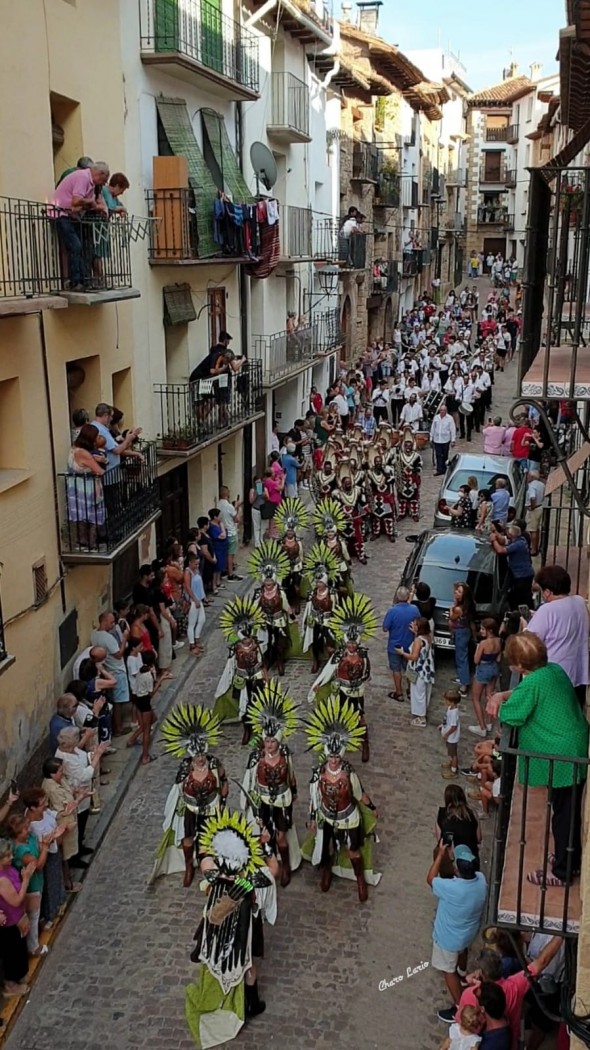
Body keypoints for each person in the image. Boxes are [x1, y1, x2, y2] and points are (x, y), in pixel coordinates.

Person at [487, 633, 589, 886]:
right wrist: (504, 695)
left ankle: (564, 872)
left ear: (519, 666)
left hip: (562, 755)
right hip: (572, 748)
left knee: (563, 813)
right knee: (567, 808)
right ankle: (570, 858)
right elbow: (524, 692)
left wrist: (499, 702)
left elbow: (513, 715)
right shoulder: (552, 670)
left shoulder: (534, 683)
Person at [184, 810, 270, 1044]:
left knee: (243, 959)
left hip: (230, 921)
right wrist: (264, 847)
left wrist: (263, 844)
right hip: (232, 921)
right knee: (245, 961)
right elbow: (271, 872)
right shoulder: (247, 875)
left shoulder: (216, 873)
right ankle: (245, 1003)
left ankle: (249, 1001)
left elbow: (204, 859)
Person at [303, 696, 380, 902]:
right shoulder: (318, 773)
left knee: (353, 850)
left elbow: (359, 793)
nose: (334, 761)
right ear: (327, 755)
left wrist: (371, 807)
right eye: (331, 757)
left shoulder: (348, 772)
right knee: (327, 846)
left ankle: (360, 879)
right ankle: (327, 871)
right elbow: (314, 796)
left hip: (349, 817)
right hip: (327, 817)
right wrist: (312, 817)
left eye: (337, 757)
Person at [150, 705, 227, 887]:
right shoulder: (185, 767)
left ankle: (210, 864)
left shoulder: (214, 763)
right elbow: (178, 788)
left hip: (211, 806)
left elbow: (223, 780)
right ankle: (188, 866)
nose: (201, 758)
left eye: (202, 754)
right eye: (197, 755)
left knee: (212, 836)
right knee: (188, 838)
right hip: (190, 807)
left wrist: (223, 796)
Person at [241, 683, 300, 887]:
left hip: (283, 800)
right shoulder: (256, 757)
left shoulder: (286, 755)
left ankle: (285, 866)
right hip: (263, 801)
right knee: (263, 833)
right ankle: (265, 863)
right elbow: (249, 781)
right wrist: (248, 801)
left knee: (282, 835)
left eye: (272, 742)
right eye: (266, 741)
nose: (269, 744)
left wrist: (294, 791)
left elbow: (291, 775)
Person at [455, 937, 564, 1044]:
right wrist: (560, 935)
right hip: (511, 1041)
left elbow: (461, 1025)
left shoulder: (471, 994)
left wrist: (470, 984)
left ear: (482, 974)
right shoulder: (514, 986)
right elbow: (542, 961)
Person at [428, 842, 487, 1020]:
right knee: (462, 951)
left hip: (448, 938)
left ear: (458, 869)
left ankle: (460, 1006)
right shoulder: (481, 880)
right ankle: (462, 974)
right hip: (468, 932)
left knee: (447, 970)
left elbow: (430, 879)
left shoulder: (452, 888)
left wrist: (439, 855)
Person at [527, 564, 589, 705]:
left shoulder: (547, 610)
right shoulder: (579, 602)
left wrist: (526, 624)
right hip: (578, 675)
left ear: (548, 592)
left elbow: (529, 641)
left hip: (554, 678)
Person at [50, 161, 110, 289]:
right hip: (61, 214)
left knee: (82, 245)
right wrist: (91, 203)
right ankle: (75, 282)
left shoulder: (91, 183)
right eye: (104, 180)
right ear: (100, 174)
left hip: (71, 215)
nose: (104, 184)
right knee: (76, 246)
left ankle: (84, 281)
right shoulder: (83, 177)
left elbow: (84, 204)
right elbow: (76, 200)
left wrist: (97, 207)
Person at [21, 788, 67, 924]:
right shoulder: (32, 826)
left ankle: (60, 901)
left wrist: (65, 813)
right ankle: (50, 913)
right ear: (32, 808)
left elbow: (52, 814)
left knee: (57, 878)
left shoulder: (43, 812)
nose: (46, 805)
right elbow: (41, 844)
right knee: (49, 884)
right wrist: (55, 836)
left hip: (54, 850)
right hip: (47, 855)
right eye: (42, 804)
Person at [0, 840, 36, 996]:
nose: (11, 857)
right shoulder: (2, 879)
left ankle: (20, 975)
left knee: (19, 948)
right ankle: (10, 985)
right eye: (7, 856)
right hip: (9, 920)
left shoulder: (9, 869)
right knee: (11, 953)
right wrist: (26, 879)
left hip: (18, 916)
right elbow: (15, 900)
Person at [89, 610, 130, 736]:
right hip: (117, 670)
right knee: (118, 701)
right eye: (111, 622)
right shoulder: (108, 638)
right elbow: (118, 655)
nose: (113, 625)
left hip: (107, 669)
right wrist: (124, 640)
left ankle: (115, 726)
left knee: (113, 699)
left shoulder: (94, 634)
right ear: (104, 621)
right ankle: (118, 728)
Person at [396, 616, 435, 728]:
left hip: (419, 670)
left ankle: (421, 717)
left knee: (418, 694)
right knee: (424, 692)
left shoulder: (419, 641)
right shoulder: (427, 637)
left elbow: (413, 657)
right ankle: (422, 714)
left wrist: (402, 653)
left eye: (415, 624)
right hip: (426, 669)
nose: (413, 624)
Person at [382, 586, 420, 703]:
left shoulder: (392, 611)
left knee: (396, 669)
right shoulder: (414, 609)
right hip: (409, 645)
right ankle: (410, 690)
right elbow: (418, 623)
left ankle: (399, 692)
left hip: (395, 645)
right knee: (408, 668)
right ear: (408, 596)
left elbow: (385, 628)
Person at [435, 785, 481, 868]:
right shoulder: (473, 814)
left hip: (450, 860)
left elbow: (440, 841)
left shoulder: (442, 814)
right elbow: (478, 838)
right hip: (470, 859)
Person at [490, 525, 534, 610]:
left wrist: (494, 540)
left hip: (522, 575)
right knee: (519, 595)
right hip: (522, 574)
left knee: (523, 597)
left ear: (511, 535)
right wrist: (495, 532)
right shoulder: (519, 539)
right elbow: (503, 540)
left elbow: (500, 550)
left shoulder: (518, 544)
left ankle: (526, 612)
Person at [470, 619, 501, 737]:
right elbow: (498, 659)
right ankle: (489, 723)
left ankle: (482, 727)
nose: (481, 631)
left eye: (483, 629)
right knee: (489, 696)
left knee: (476, 698)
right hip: (494, 668)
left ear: (490, 630)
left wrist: (478, 650)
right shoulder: (499, 641)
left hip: (483, 669)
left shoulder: (483, 643)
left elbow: (476, 660)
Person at [449, 582, 476, 697]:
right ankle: (462, 677)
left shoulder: (458, 609)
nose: (456, 592)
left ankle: (464, 684)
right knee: (462, 656)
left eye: (459, 592)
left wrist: (452, 607)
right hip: (465, 631)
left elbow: (452, 617)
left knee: (461, 658)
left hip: (460, 633)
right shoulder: (468, 606)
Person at [218, 486, 243, 580]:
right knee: (231, 554)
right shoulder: (229, 506)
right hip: (231, 532)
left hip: (223, 531)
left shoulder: (218, 504)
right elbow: (237, 520)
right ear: (226, 493)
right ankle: (230, 573)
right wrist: (237, 509)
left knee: (225, 553)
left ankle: (225, 570)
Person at [440, 690, 461, 778]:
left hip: (452, 737)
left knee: (453, 753)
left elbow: (453, 727)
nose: (445, 702)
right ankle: (452, 762)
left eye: (447, 700)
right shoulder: (450, 708)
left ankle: (454, 770)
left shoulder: (454, 713)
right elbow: (447, 720)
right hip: (449, 736)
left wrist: (446, 734)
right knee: (450, 751)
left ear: (452, 702)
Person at [431, 404, 457, 476]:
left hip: (445, 439)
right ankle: (439, 469)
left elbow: (453, 429)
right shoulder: (436, 418)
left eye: (444, 410)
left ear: (446, 411)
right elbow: (433, 428)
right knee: (438, 454)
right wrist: (431, 437)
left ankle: (444, 468)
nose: (442, 412)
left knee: (445, 454)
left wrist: (453, 440)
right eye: (441, 410)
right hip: (437, 439)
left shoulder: (450, 418)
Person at [524, 470, 545, 557]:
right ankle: (536, 546)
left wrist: (532, 507)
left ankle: (533, 549)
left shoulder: (532, 486)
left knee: (533, 530)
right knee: (536, 528)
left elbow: (533, 497)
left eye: (528, 476)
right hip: (540, 507)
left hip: (534, 509)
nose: (527, 478)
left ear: (532, 477)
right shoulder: (541, 484)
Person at [208, 508, 228, 588]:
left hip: (222, 549)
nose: (221, 517)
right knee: (216, 567)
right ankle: (214, 585)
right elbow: (222, 536)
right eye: (219, 516)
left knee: (220, 566)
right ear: (215, 517)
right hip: (217, 549)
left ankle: (218, 582)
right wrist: (222, 526)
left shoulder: (217, 524)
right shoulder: (212, 527)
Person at [249, 474, 265, 548]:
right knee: (256, 526)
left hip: (263, 509)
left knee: (263, 526)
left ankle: (261, 539)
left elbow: (267, 498)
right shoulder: (252, 490)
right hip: (256, 509)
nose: (259, 484)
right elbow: (251, 501)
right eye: (257, 482)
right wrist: (255, 495)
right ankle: (257, 542)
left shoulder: (264, 489)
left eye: (260, 482)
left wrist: (264, 494)